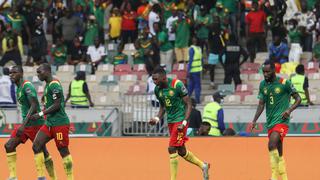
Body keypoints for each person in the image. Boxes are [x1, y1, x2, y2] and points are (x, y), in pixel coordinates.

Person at [149, 67, 210, 180]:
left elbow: (188, 104)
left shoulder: (177, 84)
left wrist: (184, 122)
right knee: (181, 151)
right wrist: (157, 118)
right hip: (171, 121)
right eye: (153, 79)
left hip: (181, 120)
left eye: (156, 79)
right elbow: (163, 106)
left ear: (164, 77)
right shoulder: (158, 90)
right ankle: (203, 166)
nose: (154, 82)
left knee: (171, 148)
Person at [4, 66, 57, 180]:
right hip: (27, 124)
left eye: (14, 72)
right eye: (10, 73)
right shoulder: (18, 87)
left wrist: (23, 125)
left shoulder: (27, 86)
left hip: (35, 124)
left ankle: (49, 177)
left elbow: (33, 105)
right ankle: (13, 177)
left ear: (21, 74)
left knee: (42, 151)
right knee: (9, 146)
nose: (11, 75)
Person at [251, 61, 301, 180]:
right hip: (270, 122)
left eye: (268, 71)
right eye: (264, 72)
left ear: (274, 70)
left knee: (271, 144)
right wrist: (254, 120)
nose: (265, 74)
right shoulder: (263, 85)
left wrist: (289, 110)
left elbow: (298, 99)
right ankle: (284, 177)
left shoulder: (284, 83)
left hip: (282, 120)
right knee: (278, 150)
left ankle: (274, 176)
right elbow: (261, 104)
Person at [31, 63, 74, 180]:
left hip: (59, 123)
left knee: (63, 151)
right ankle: (46, 178)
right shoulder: (48, 85)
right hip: (49, 123)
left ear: (47, 71)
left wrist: (40, 114)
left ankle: (70, 178)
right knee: (36, 146)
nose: (38, 74)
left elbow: (57, 105)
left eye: (40, 72)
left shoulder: (54, 85)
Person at [188, 37, 203, 104]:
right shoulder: (199, 49)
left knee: (191, 86)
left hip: (192, 70)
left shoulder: (191, 49)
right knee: (197, 86)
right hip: (198, 70)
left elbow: (190, 60)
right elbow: (201, 60)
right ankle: (197, 100)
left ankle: (186, 99)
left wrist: (188, 71)